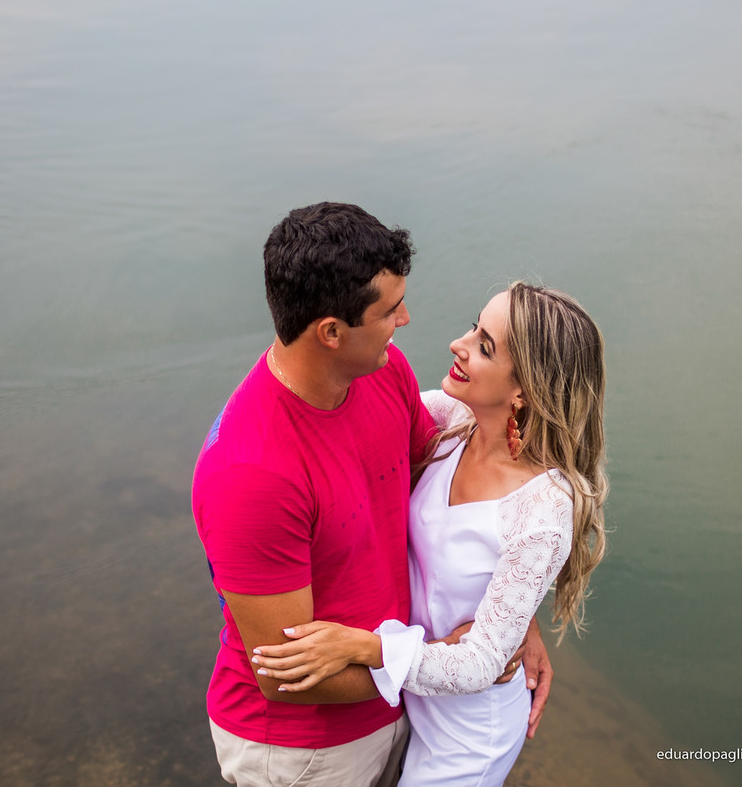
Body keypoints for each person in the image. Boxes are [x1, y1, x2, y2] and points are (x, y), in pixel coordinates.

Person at [192, 203, 552, 787]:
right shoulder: (251, 474)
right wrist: (448, 665)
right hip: (303, 752)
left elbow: (444, 499)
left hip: (396, 708)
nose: (405, 319)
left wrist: (510, 621)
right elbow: (282, 678)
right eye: (389, 310)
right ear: (332, 332)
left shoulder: (383, 373)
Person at [251, 283, 608, 786]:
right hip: (411, 705)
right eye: (474, 328)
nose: (458, 344)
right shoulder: (451, 419)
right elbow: (342, 422)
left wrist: (364, 648)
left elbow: (481, 664)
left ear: (524, 390)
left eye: (485, 347)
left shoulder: (543, 511)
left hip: (468, 738)